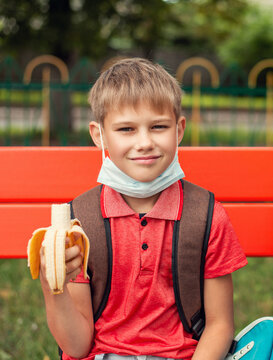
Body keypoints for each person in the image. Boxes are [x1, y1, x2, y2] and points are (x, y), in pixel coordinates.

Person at [38, 58, 247, 360]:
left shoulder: (205, 215)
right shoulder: (78, 224)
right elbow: (76, 346)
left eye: (158, 126)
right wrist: (52, 285)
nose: (145, 142)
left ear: (179, 129)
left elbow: (219, 325)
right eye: (126, 129)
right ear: (99, 135)